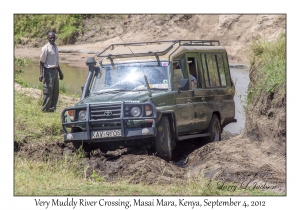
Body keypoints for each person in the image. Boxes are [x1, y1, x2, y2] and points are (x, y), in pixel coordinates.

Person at [39, 32, 64, 112]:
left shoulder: (55, 47)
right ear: (47, 38)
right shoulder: (45, 48)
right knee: (48, 91)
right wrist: (41, 74)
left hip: (55, 71)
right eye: (50, 37)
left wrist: (60, 72)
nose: (52, 39)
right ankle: (44, 109)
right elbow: (41, 62)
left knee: (55, 91)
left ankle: (52, 109)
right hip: (48, 71)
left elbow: (56, 62)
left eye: (53, 37)